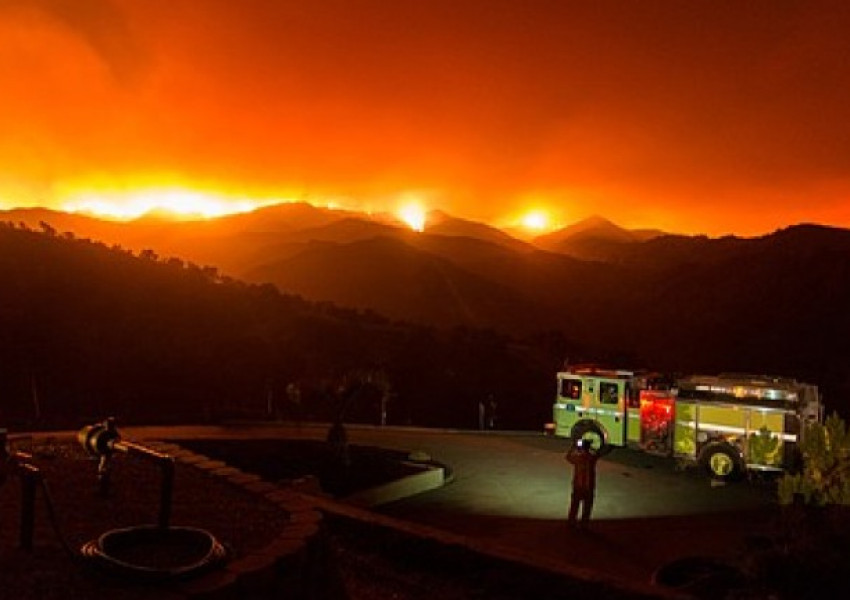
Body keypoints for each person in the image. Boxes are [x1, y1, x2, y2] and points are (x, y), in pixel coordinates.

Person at [565, 437, 600, 528]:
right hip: (588, 486)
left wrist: (574, 447)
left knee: (575, 506)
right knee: (587, 508)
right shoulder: (591, 458)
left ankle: (571, 522)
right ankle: (584, 524)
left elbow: (568, 457)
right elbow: (598, 453)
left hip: (578, 485)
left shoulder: (578, 457)